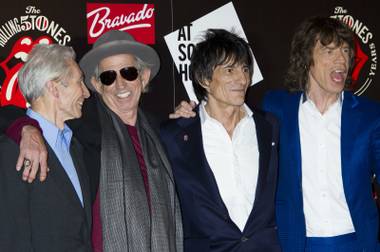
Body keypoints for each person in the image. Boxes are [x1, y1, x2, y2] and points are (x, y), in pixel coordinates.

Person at [0, 30, 183, 252]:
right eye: (108, 77)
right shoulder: (85, 126)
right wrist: (25, 128)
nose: (120, 84)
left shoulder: (160, 132)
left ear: (143, 77)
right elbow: (16, 113)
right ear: (97, 84)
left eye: (128, 72)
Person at [262, 16, 380, 251]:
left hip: (357, 243)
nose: (341, 60)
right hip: (298, 243)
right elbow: (232, 124)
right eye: (329, 51)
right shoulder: (276, 107)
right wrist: (191, 116)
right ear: (307, 59)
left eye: (346, 51)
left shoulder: (369, 115)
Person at [160, 29, 281, 251]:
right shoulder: (175, 135)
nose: (242, 79)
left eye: (245, 69)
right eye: (229, 70)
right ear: (204, 78)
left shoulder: (269, 126)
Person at [0, 44, 92, 251]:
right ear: (54, 88)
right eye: (79, 82)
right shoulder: (12, 151)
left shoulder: (75, 146)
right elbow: (11, 239)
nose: (86, 93)